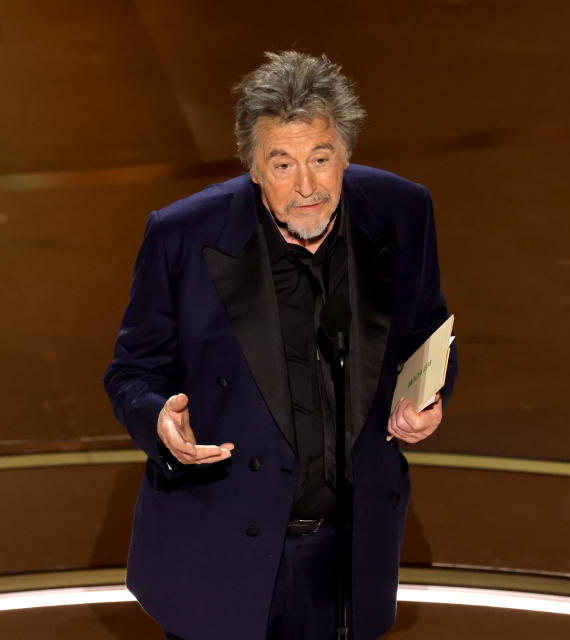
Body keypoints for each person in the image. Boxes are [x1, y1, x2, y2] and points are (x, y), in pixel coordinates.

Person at [103, 51, 457, 640]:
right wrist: (158, 421)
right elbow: (131, 372)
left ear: (345, 154)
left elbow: (428, 328)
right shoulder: (183, 237)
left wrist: (430, 394)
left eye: (321, 159)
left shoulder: (402, 212)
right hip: (223, 557)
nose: (307, 186)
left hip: (348, 557)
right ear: (254, 169)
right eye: (283, 164)